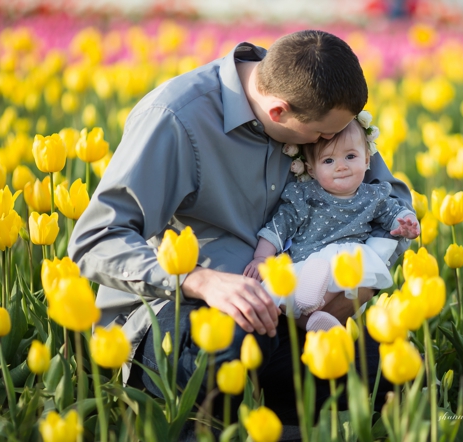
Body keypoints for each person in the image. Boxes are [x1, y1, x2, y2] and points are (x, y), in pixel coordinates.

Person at [69, 30, 410, 425]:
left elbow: (393, 202)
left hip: (288, 307)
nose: (329, 144)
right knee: (227, 345)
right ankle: (217, 422)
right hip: (181, 308)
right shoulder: (176, 118)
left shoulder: (314, 99)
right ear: (279, 112)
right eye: (321, 137)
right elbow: (96, 239)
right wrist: (200, 281)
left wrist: (360, 282)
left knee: (394, 368)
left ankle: (263, 422)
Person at [245, 120, 420, 331]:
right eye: (328, 161)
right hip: (306, 264)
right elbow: (279, 227)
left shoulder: (372, 196)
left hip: (347, 264)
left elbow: (393, 213)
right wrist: (262, 258)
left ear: (366, 160)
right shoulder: (305, 196)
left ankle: (314, 312)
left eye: (350, 156)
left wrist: (407, 223)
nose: (341, 166)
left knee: (351, 279)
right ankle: (312, 313)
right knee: (281, 297)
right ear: (311, 170)